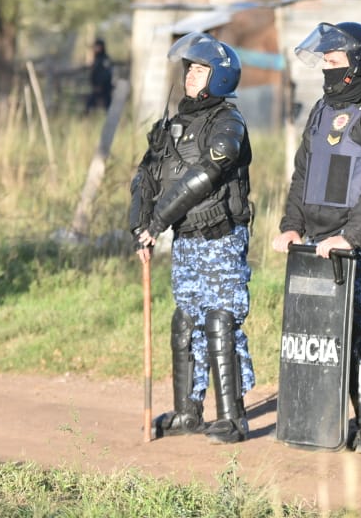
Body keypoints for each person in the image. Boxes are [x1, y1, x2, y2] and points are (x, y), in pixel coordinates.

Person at [272, 22, 361, 454]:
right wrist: (290, 225)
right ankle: (331, 418)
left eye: (333, 62)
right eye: (325, 63)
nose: (327, 71)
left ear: (356, 63)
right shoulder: (320, 109)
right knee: (328, 339)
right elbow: (303, 175)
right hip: (317, 244)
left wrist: (353, 237)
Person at [128, 32, 255, 444]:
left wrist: (159, 219)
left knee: (221, 321)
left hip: (220, 238)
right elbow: (145, 176)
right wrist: (140, 225)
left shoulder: (228, 122)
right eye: (189, 69)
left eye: (200, 70)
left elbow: (207, 174)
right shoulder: (171, 125)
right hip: (186, 241)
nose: (190, 77)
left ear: (218, 78)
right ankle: (188, 412)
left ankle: (233, 419)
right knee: (185, 323)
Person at [86, 37, 114, 112]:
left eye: (97, 46)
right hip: (96, 87)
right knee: (90, 103)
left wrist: (100, 85)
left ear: (102, 47)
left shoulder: (105, 59)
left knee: (108, 105)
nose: (96, 48)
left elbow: (107, 74)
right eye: (95, 46)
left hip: (104, 87)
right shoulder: (97, 58)